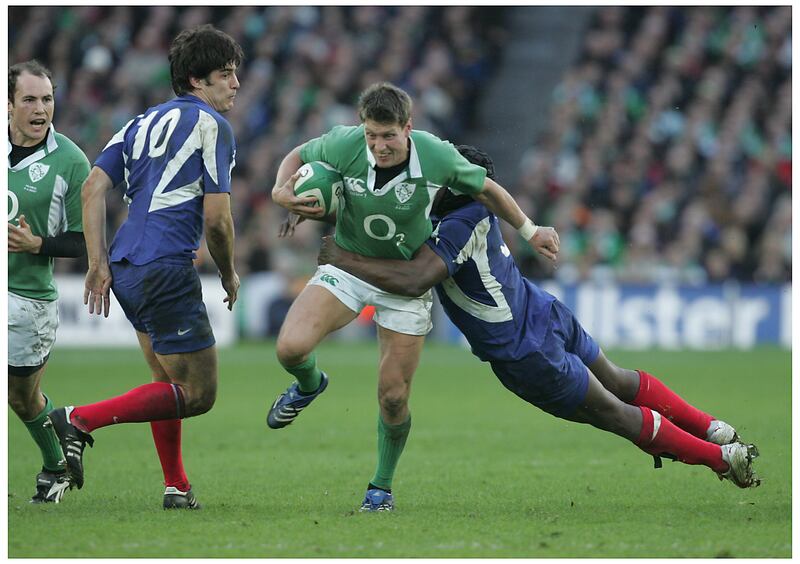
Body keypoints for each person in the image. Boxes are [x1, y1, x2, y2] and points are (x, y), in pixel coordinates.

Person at [317, 144, 760, 490]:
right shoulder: (465, 209)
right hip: (542, 309)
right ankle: (715, 429)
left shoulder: (459, 222)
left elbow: (416, 279)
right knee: (620, 380)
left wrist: (342, 257)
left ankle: (720, 459)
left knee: (614, 413)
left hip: (524, 350)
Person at [270, 82, 561, 511]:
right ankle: (310, 384)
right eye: (371, 135)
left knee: (393, 396)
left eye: (388, 136)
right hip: (347, 265)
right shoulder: (344, 143)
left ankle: (380, 487)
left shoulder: (435, 154)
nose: (379, 146)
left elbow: (487, 190)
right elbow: (298, 155)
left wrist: (532, 231)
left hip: (404, 280)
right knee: (290, 349)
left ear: (408, 127)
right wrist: (281, 192)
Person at [44, 24, 243, 509]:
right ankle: (79, 418)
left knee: (166, 384)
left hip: (128, 265)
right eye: (225, 74)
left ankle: (175, 485)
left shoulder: (138, 122)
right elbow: (217, 219)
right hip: (166, 266)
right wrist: (230, 271)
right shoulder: (212, 126)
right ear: (197, 81)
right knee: (198, 392)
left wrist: (98, 263)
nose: (235, 84)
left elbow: (92, 188)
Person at [8, 60, 91, 503]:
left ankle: (56, 460)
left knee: (22, 400)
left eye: (47, 99)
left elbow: (81, 242)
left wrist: (36, 243)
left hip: (27, 302)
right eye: (29, 100)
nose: (41, 109)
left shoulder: (70, 160)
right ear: (8, 105)